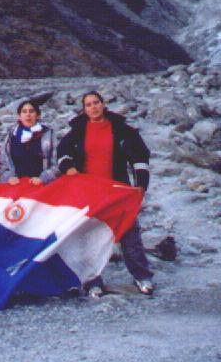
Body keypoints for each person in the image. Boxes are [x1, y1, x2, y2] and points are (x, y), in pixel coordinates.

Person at [57, 90, 154, 296]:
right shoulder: (78, 130)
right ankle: (93, 281)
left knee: (129, 231)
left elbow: (140, 157)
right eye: (89, 104)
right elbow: (62, 151)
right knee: (89, 235)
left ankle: (142, 276)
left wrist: (140, 185)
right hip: (89, 192)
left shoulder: (122, 129)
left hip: (117, 189)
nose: (93, 107)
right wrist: (67, 166)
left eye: (96, 103)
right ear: (84, 110)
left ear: (103, 104)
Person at [4, 99, 57, 185]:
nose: (28, 114)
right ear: (19, 116)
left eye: (31, 111)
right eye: (24, 112)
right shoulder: (11, 136)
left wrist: (43, 178)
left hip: (41, 184)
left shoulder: (48, 135)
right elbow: (3, 165)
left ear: (38, 115)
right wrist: (9, 178)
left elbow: (55, 164)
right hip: (17, 184)